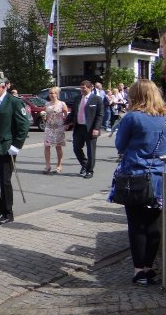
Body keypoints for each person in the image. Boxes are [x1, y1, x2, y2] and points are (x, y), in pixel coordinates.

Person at [108, 79, 165, 286]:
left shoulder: (132, 118)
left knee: (136, 225)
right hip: (160, 177)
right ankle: (150, 268)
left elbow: (120, 145)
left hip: (135, 176)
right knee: (154, 225)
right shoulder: (164, 117)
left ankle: (139, 270)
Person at [0, 74, 30, 225]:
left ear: (3, 86)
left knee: (4, 181)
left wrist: (17, 145)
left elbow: (23, 125)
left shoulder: (14, 102)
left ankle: (8, 212)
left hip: (7, 147)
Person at [64, 80, 103, 179]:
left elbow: (100, 115)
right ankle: (84, 164)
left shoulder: (97, 99)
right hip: (79, 127)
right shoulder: (77, 98)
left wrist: (96, 128)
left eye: (84, 88)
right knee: (76, 148)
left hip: (90, 128)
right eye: (81, 88)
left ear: (90, 88)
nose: (82, 89)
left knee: (91, 151)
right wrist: (66, 123)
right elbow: (73, 113)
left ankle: (90, 171)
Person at [43, 86, 68, 174]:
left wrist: (66, 123)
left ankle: (59, 165)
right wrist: (44, 116)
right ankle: (47, 165)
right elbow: (45, 115)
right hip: (49, 127)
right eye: (49, 93)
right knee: (47, 146)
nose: (51, 95)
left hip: (59, 127)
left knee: (58, 146)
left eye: (52, 93)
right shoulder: (47, 104)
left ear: (57, 94)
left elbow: (66, 114)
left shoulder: (62, 104)